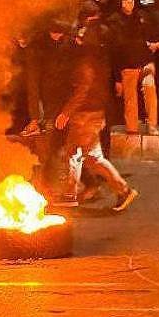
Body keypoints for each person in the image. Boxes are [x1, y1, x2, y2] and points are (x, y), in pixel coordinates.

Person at [56, 24, 138, 211]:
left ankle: (70, 194)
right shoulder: (98, 57)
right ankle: (123, 190)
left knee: (73, 153)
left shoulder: (86, 61)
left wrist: (66, 113)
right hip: (95, 113)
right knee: (93, 157)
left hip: (85, 114)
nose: (77, 39)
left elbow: (83, 89)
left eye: (80, 37)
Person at [23, 14, 77, 198]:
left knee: (69, 145)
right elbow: (33, 83)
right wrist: (35, 115)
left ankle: (67, 185)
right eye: (55, 33)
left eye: (61, 33)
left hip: (68, 100)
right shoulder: (37, 48)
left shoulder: (68, 44)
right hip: (50, 104)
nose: (58, 36)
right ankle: (49, 187)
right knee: (50, 146)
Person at [108, 0, 159, 135]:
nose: (130, 3)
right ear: (119, 2)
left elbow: (148, 37)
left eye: (132, 0)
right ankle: (132, 128)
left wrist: (152, 47)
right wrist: (117, 78)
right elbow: (117, 49)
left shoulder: (141, 17)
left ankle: (152, 124)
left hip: (145, 61)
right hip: (127, 65)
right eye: (126, 0)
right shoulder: (114, 22)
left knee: (150, 89)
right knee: (130, 98)